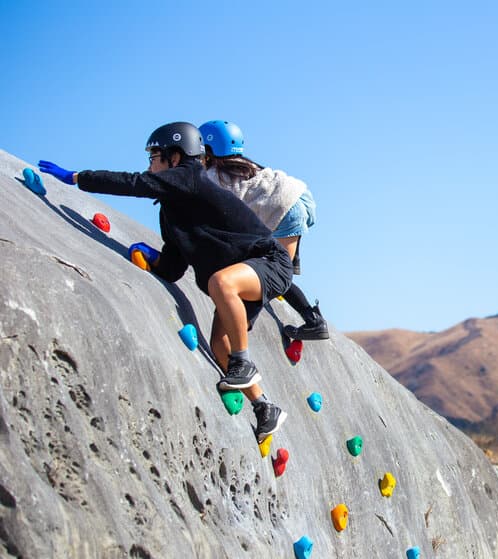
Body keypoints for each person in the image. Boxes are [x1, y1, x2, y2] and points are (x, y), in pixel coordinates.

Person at [38, 122, 288, 443]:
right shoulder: (174, 211)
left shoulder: (190, 177)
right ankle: (265, 407)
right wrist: (151, 257)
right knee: (217, 346)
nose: (150, 164)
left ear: (175, 155)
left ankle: (243, 362)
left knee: (221, 284)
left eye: (154, 155)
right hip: (241, 276)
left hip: (267, 263)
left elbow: (136, 183)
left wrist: (77, 178)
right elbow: (173, 267)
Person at [198, 120, 328, 341]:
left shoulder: (215, 175)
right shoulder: (242, 165)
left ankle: (250, 322)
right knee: (276, 271)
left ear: (208, 151)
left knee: (273, 274)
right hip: (296, 201)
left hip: (284, 211)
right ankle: (313, 320)